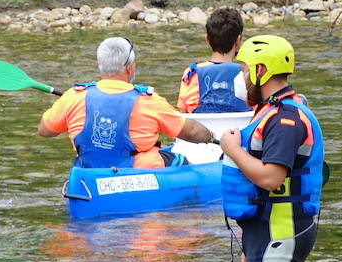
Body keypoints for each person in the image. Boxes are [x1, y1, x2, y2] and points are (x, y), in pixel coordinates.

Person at [219, 35, 324, 262]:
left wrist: (233, 149)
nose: (242, 77)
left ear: (262, 71)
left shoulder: (285, 119)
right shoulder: (269, 112)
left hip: (281, 231)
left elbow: (269, 177)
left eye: (246, 69)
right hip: (269, 232)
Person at [38, 36, 216, 167]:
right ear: (129, 68)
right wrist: (210, 136)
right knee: (181, 161)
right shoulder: (149, 101)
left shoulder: (74, 96)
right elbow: (191, 131)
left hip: (89, 176)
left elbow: (45, 131)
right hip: (140, 172)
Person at [177, 6, 251, 113]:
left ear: (207, 39)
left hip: (202, 129)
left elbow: (183, 113)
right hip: (240, 129)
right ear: (238, 41)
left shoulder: (192, 73)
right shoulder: (246, 72)